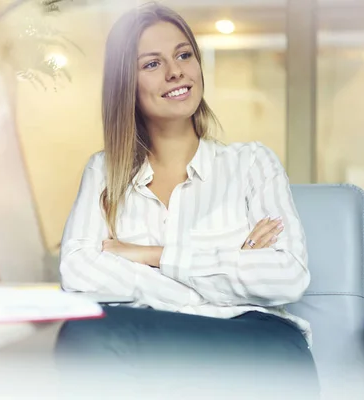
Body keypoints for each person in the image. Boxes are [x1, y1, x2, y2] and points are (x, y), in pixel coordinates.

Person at [54, 2, 320, 400]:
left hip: (253, 340)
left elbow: (287, 275)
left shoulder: (252, 163)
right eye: (152, 64)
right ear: (125, 83)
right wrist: (224, 268)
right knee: (81, 336)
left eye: (183, 54)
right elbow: (77, 271)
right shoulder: (104, 171)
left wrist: (150, 255)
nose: (176, 71)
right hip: (152, 340)